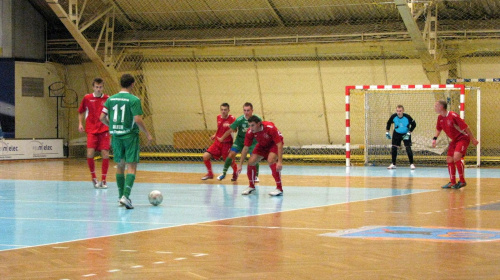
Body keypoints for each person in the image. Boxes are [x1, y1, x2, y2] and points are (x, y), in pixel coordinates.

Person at [100, 74, 153, 209]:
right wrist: (147, 133)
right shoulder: (134, 99)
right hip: (129, 136)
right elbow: (137, 120)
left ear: (121, 83)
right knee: (132, 166)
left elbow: (102, 117)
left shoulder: (110, 99)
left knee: (120, 165)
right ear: (132, 84)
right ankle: (126, 196)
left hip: (116, 136)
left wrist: (111, 125)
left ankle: (120, 197)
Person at [432, 100, 478, 189]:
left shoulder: (453, 116)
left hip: (463, 138)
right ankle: (452, 182)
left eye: (436, 106)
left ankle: (462, 181)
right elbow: (438, 129)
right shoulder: (440, 118)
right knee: (449, 159)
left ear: (441, 107)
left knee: (456, 157)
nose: (435, 107)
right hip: (454, 140)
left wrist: (473, 139)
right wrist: (434, 139)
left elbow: (466, 127)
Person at [237, 116, 284, 196]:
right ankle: (251, 186)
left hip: (274, 144)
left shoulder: (270, 128)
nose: (251, 128)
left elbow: (279, 144)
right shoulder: (250, 132)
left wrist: (279, 162)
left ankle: (279, 188)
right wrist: (240, 164)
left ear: (259, 124)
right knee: (251, 162)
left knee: (271, 160)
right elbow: (245, 148)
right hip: (262, 145)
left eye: (253, 125)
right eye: (249, 125)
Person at [78, 77, 110, 188]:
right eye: (96, 87)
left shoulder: (107, 99)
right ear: (93, 87)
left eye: (100, 87)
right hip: (91, 130)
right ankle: (94, 178)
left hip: (104, 129)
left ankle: (104, 180)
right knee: (90, 153)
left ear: (103, 87)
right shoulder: (87, 98)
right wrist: (80, 124)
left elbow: (110, 113)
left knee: (105, 154)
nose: (98, 89)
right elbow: (81, 111)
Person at [216, 102, 260, 182]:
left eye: (248, 110)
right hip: (240, 140)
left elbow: (262, 129)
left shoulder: (257, 119)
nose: (246, 112)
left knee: (254, 157)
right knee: (230, 155)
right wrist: (222, 138)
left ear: (252, 110)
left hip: (252, 141)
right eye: (244, 110)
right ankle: (223, 173)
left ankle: (256, 176)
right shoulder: (240, 119)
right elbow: (231, 130)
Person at [201, 103, 236, 180]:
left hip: (227, 143)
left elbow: (235, 130)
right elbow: (219, 128)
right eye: (222, 109)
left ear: (228, 110)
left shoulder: (232, 118)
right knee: (205, 156)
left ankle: (235, 172)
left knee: (228, 160)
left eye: (225, 110)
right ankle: (210, 173)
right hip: (217, 142)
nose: (223, 111)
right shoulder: (218, 117)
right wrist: (215, 134)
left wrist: (229, 126)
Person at [385, 105, 417, 169]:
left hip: (406, 133)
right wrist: (387, 132)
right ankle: (393, 164)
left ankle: (411, 164)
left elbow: (414, 124)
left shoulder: (407, 117)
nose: (398, 112)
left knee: (408, 148)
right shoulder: (394, 116)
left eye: (400, 111)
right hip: (397, 133)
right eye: (397, 111)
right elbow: (388, 123)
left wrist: (409, 132)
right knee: (394, 148)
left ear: (403, 111)